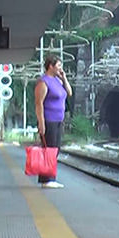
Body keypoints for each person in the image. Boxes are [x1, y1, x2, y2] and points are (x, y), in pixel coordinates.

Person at [35, 54, 71, 189]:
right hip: (48, 120)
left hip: (58, 120)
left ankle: (50, 178)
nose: (60, 68)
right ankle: (47, 179)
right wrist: (41, 123)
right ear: (50, 66)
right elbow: (39, 103)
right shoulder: (43, 82)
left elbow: (69, 93)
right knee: (48, 149)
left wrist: (64, 78)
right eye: (58, 66)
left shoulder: (58, 81)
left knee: (55, 149)